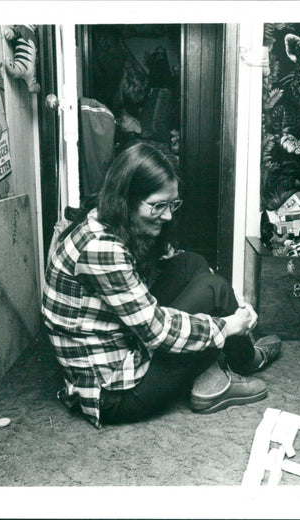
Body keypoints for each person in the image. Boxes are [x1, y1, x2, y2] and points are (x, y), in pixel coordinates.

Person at [42, 142, 281, 428]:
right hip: (116, 394)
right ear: (127, 199)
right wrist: (231, 325)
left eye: (172, 204)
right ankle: (244, 359)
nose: (168, 215)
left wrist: (231, 310)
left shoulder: (101, 214)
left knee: (191, 263)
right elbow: (158, 333)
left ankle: (221, 360)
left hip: (120, 343)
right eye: (158, 206)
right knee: (214, 288)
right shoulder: (101, 249)